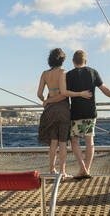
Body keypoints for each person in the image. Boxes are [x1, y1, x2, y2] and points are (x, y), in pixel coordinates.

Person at [59, 50, 110, 179]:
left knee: (75, 141)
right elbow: (105, 90)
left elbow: (64, 93)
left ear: (73, 62)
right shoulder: (93, 72)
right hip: (90, 112)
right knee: (89, 142)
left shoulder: (68, 75)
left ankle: (82, 169)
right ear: (85, 61)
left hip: (76, 113)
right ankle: (87, 169)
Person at [37, 48, 91, 179]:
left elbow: (39, 94)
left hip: (50, 110)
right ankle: (62, 171)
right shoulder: (63, 72)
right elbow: (63, 95)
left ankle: (52, 169)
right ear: (62, 60)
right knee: (62, 143)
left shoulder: (44, 74)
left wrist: (46, 101)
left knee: (53, 142)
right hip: (62, 110)